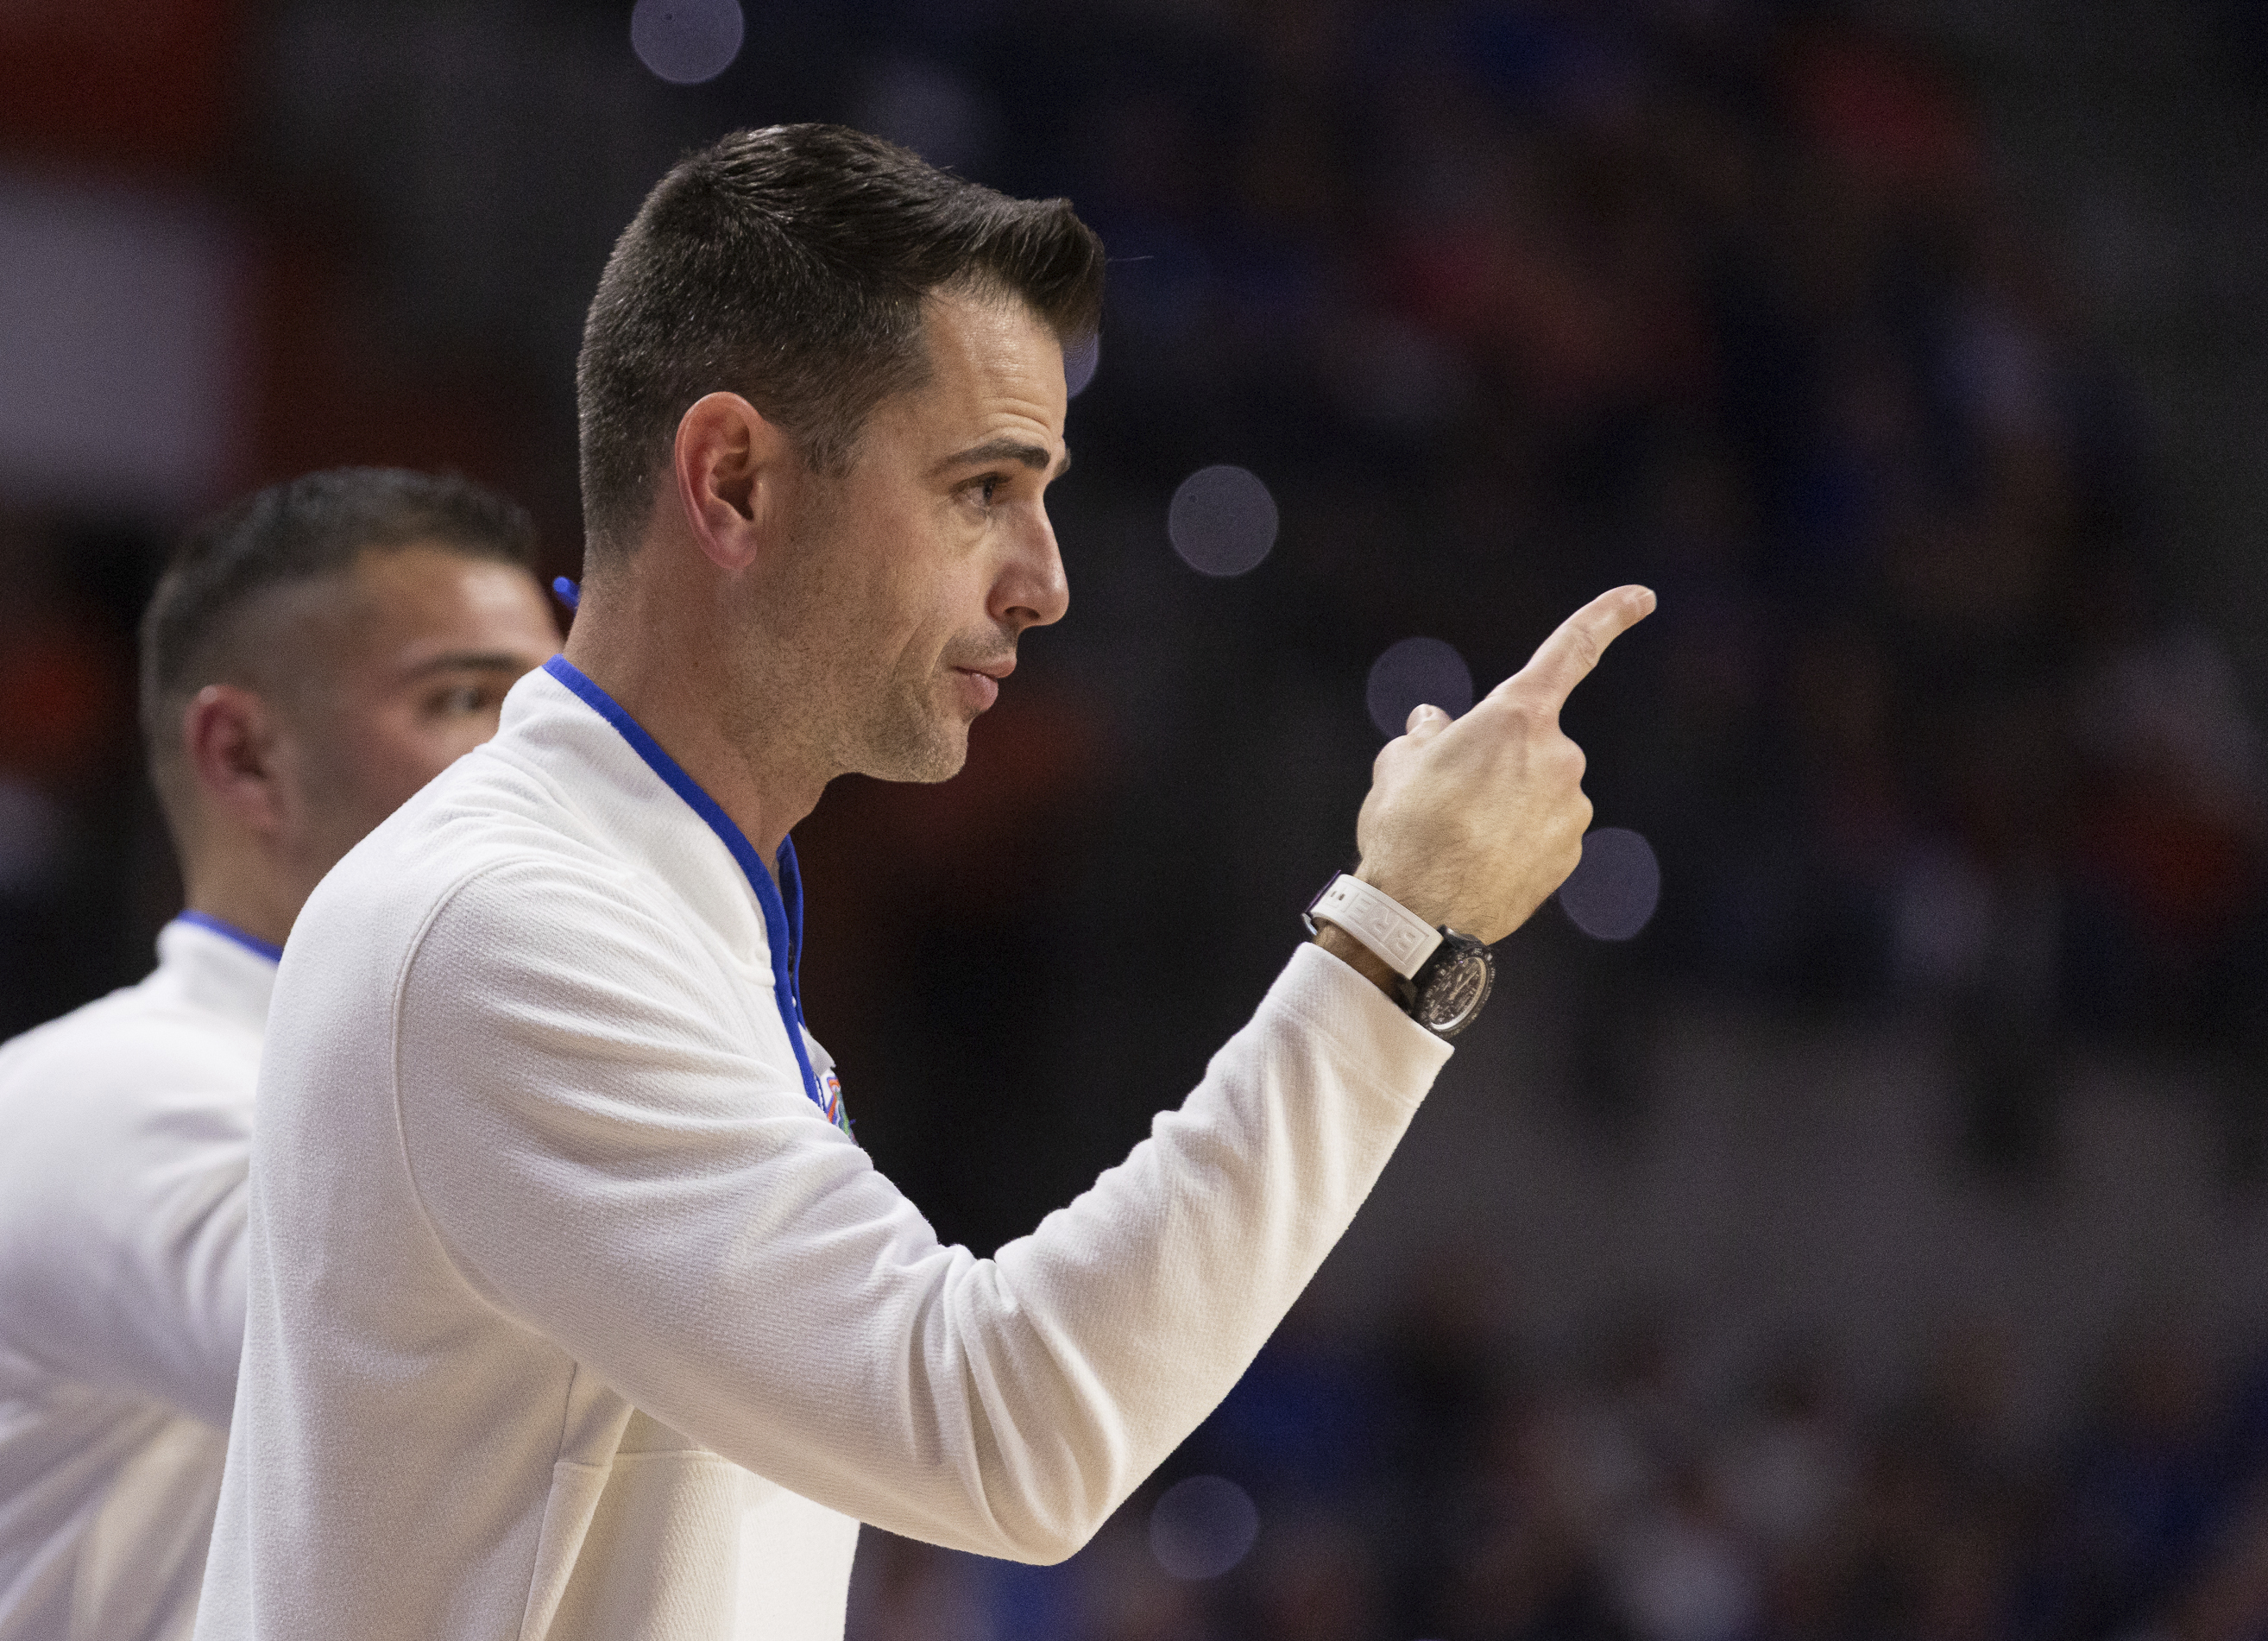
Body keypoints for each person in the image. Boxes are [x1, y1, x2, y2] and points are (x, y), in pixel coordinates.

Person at [194, 125, 1653, 1641]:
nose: (1045, 578)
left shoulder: (643, 896)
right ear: (736, 480)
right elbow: (1003, 1435)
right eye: (982, 488)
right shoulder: (506, 926)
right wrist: (1397, 935)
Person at [0, 468, 563, 1641]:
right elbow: (421, 1387)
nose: (543, 763)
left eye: (551, 712)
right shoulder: (113, 1092)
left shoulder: (442, 1094)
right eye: (465, 698)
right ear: (248, 757)